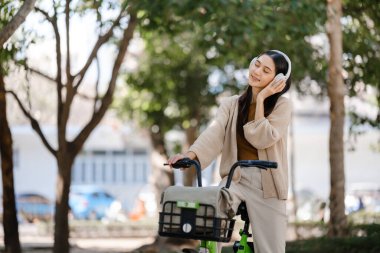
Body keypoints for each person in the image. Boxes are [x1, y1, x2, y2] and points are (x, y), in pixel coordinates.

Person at [167, 50, 292, 253]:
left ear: (277, 80)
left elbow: (262, 139)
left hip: (267, 185)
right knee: (210, 207)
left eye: (266, 70)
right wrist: (189, 156)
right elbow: (214, 133)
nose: (257, 71)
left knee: (272, 249)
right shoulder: (231, 104)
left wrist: (261, 100)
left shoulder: (282, 105)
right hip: (235, 178)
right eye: (257, 64)